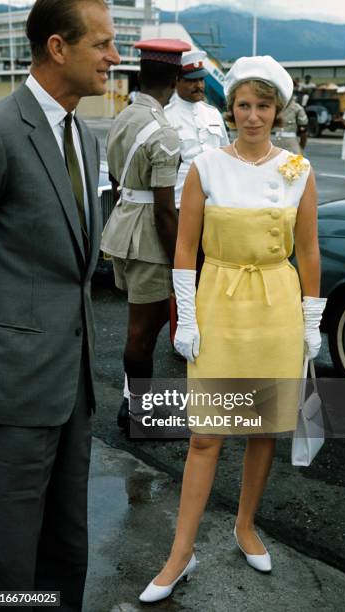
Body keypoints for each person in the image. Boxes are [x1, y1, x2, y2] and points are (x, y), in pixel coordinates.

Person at [139, 55, 326, 603]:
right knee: (205, 435)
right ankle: (180, 552)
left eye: (262, 106)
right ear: (231, 107)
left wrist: (311, 321)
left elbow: (309, 252)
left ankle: (245, 525)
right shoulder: (205, 166)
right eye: (243, 104)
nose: (251, 116)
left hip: (276, 304)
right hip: (220, 299)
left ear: (277, 110)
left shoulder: (296, 170)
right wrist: (187, 315)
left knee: (263, 427)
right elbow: (184, 248)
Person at [0, 0, 119, 608]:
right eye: (101, 44)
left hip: (74, 382)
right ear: (58, 48)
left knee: (66, 541)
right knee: (8, 550)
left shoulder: (86, 138)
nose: (114, 58)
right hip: (11, 385)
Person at [101, 38, 191, 435]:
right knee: (143, 332)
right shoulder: (165, 133)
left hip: (122, 229)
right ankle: (139, 413)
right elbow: (165, 209)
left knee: (139, 328)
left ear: (140, 74)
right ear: (174, 78)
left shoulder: (123, 117)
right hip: (148, 241)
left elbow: (117, 181)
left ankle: (133, 404)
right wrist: (180, 262)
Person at [165, 50, 229, 209]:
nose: (199, 85)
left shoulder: (213, 114)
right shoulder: (166, 117)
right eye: (191, 80)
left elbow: (225, 155)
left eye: (201, 79)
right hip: (180, 201)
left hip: (213, 201)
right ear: (177, 81)